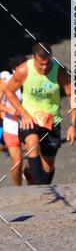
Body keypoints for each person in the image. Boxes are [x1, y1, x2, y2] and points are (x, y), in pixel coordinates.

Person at [4, 41, 76, 185]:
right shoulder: (24, 70)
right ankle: (38, 191)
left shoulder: (59, 71)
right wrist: (24, 114)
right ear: (33, 58)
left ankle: (36, 180)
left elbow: (73, 95)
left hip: (52, 121)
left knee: (48, 166)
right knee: (32, 144)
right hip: (30, 119)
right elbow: (9, 91)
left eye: (47, 63)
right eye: (41, 64)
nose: (44, 67)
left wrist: (73, 125)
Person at [0, 55, 28, 185]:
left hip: (30, 124)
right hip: (11, 125)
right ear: (14, 70)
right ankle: (18, 189)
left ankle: (34, 182)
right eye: (22, 68)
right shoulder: (5, 82)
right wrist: (8, 109)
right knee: (17, 161)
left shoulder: (34, 80)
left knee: (34, 157)